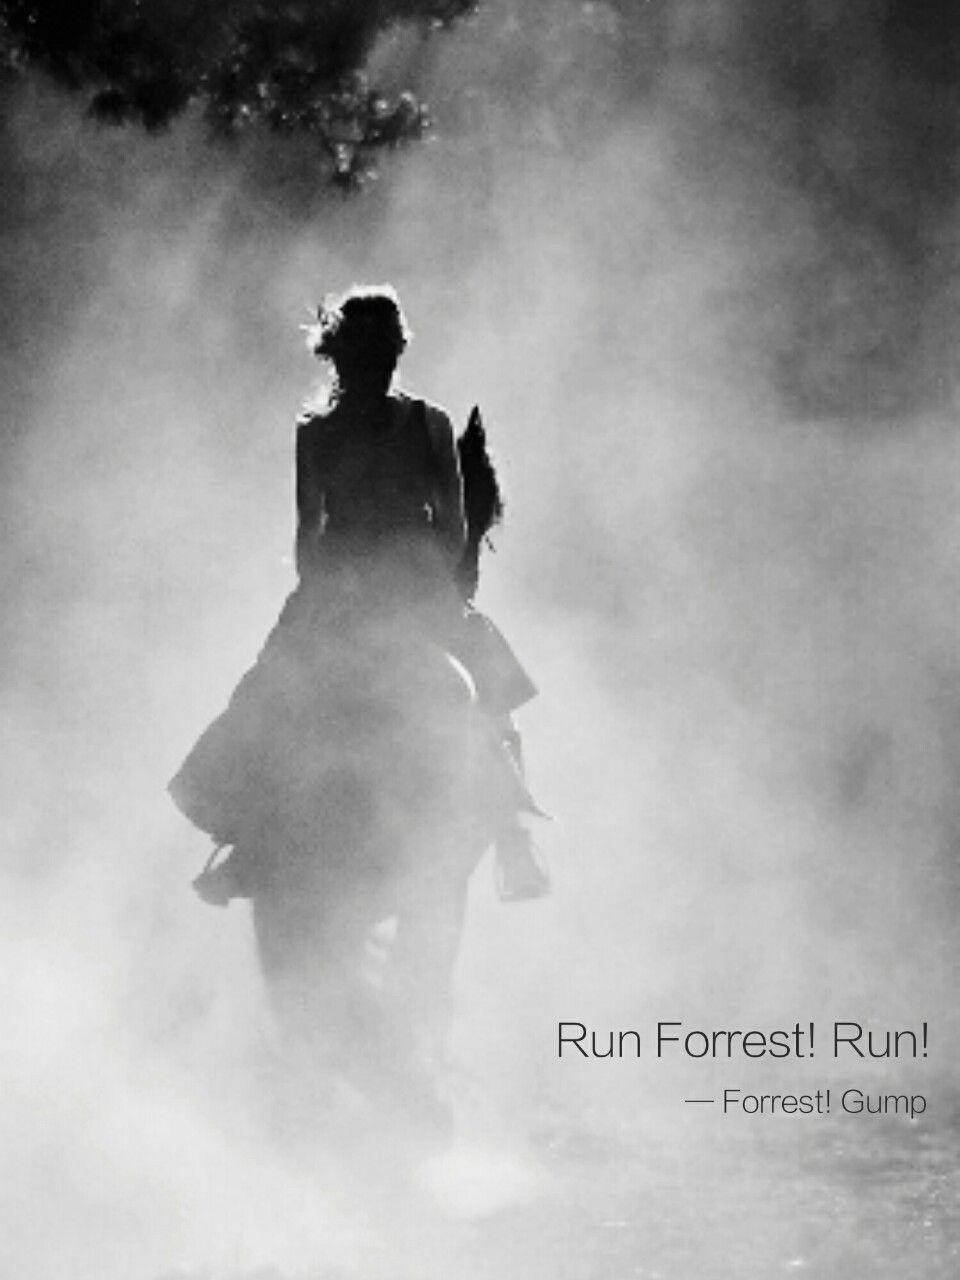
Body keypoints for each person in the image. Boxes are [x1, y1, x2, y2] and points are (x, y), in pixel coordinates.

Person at [171, 284, 546, 905]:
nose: (375, 366)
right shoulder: (352, 430)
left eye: (381, 355)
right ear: (350, 358)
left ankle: (247, 845)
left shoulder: (396, 427)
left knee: (272, 687)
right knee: (479, 685)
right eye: (369, 355)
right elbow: (437, 526)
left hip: (379, 588)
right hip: (379, 589)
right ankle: (513, 841)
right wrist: (375, 583)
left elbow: (324, 534)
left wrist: (355, 584)